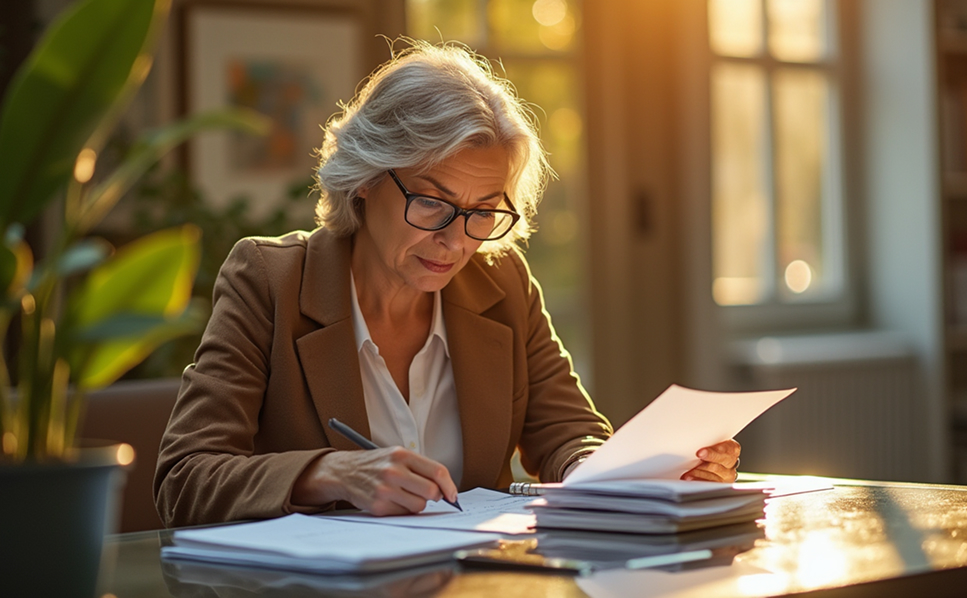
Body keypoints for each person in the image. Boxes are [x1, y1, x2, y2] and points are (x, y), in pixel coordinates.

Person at [153, 41, 740, 528]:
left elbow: (568, 432)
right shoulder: (270, 282)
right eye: (433, 204)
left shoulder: (502, 282)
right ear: (363, 181)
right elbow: (185, 477)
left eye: (485, 210)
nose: (458, 240)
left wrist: (626, 473)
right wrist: (328, 473)